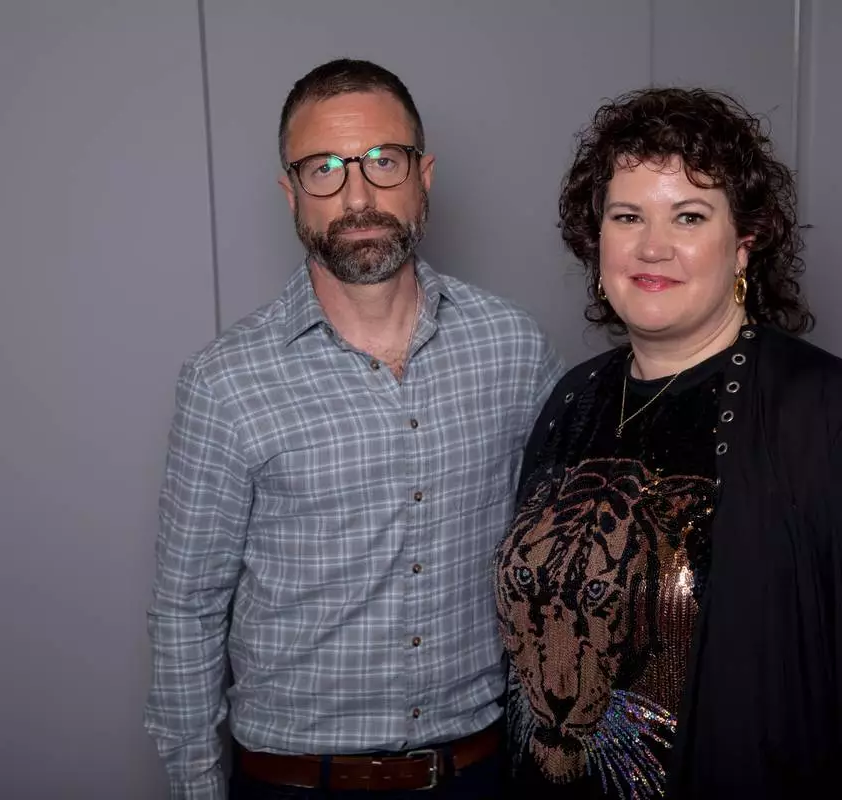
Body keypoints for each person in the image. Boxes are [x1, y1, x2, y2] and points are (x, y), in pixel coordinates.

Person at [494, 87, 842, 799]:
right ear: (598, 242)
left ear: (744, 242)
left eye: (689, 216)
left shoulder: (841, 417)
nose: (653, 246)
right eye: (627, 217)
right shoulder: (571, 400)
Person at [144, 58, 564, 799]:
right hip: (295, 783)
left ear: (423, 174)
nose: (359, 195)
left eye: (383, 161)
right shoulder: (225, 382)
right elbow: (188, 610)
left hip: (479, 775)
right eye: (324, 170)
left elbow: (561, 560)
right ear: (291, 192)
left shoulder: (514, 348)